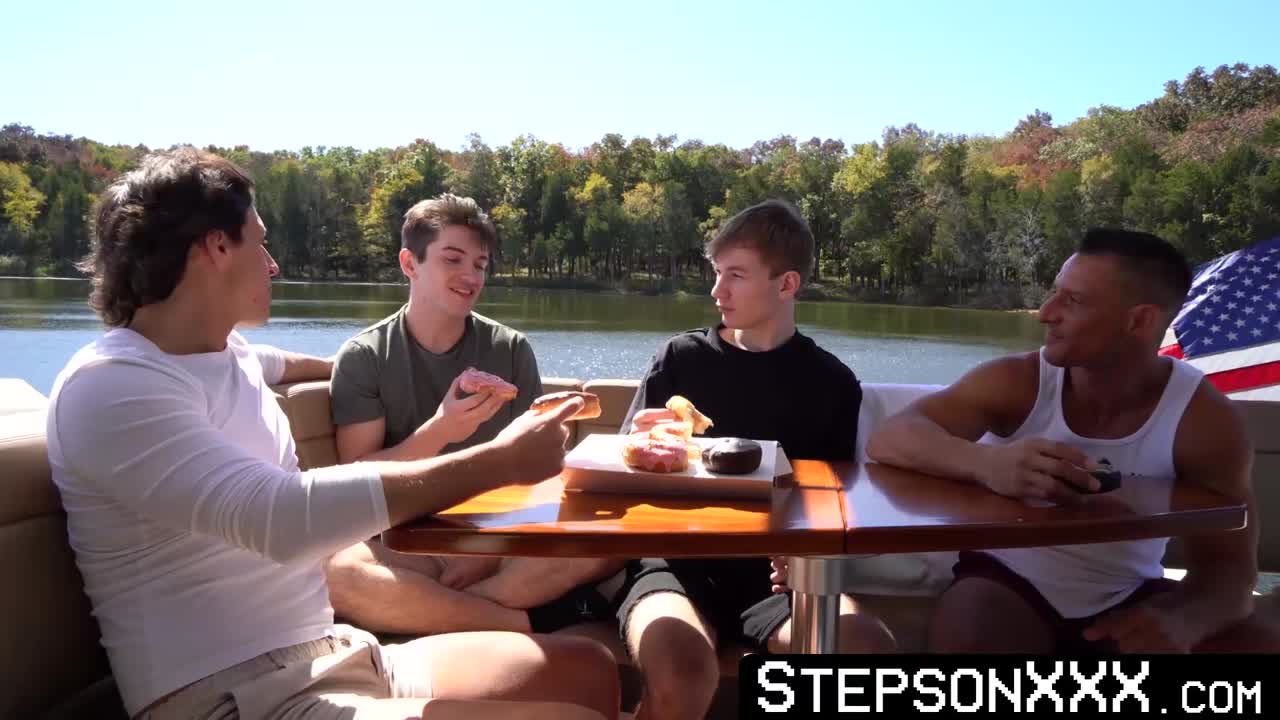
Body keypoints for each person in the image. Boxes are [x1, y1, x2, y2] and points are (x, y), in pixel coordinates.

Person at [45, 148, 619, 720]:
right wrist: (500, 460)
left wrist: (342, 366)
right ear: (216, 248)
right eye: (259, 243)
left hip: (332, 654)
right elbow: (280, 520)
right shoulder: (112, 385)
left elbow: (283, 363)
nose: (272, 265)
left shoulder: (225, 352)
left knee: (588, 672)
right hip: (229, 694)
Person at [866, 227, 1270, 654]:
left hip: (1130, 596)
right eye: (1055, 293)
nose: (1046, 313)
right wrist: (987, 464)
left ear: (1140, 321)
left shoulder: (1203, 419)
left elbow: (1231, 570)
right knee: (973, 625)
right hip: (1003, 583)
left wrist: (1186, 620)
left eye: (1072, 300)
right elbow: (891, 437)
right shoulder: (1019, 382)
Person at [614, 199, 895, 720]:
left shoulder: (832, 383)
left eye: (735, 276)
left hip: (774, 577)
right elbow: (620, 476)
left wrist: (809, 554)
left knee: (868, 651)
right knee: (682, 674)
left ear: (786, 284)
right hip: (674, 563)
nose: (717, 291)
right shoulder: (680, 359)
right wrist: (637, 446)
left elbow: (832, 501)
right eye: (717, 273)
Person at [325, 193, 623, 638]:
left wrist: (484, 552)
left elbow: (540, 473)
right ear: (409, 263)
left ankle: (439, 612)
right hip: (410, 542)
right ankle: (525, 620)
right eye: (453, 259)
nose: (470, 276)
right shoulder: (364, 357)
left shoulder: (510, 348)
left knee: (612, 542)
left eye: (480, 265)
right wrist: (442, 429)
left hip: (506, 539)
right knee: (340, 574)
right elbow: (357, 479)